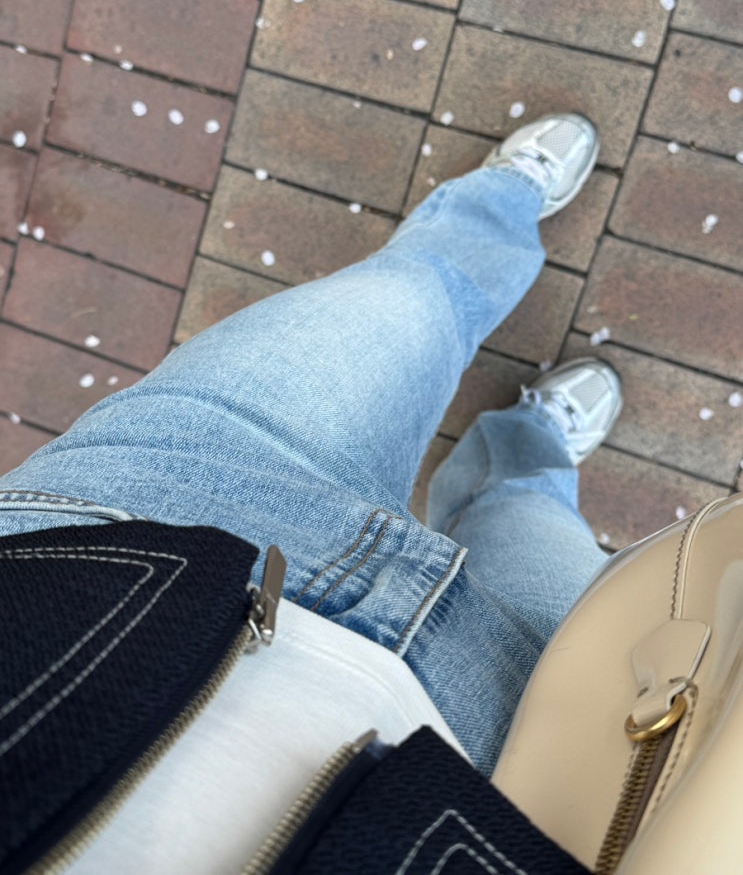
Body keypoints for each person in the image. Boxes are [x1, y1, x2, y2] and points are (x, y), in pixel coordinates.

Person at [0, 114, 622, 874]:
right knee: (535, 513)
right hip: (525, 778)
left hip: (128, 546)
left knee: (407, 301)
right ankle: (530, 439)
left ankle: (500, 201)